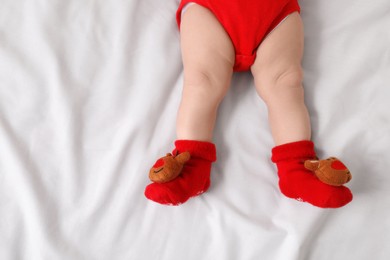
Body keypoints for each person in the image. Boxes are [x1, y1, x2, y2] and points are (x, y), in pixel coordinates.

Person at [144, 0, 353, 208]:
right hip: (209, 9)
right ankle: (191, 163)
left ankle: (296, 170)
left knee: (285, 83)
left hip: (275, 13)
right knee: (201, 81)